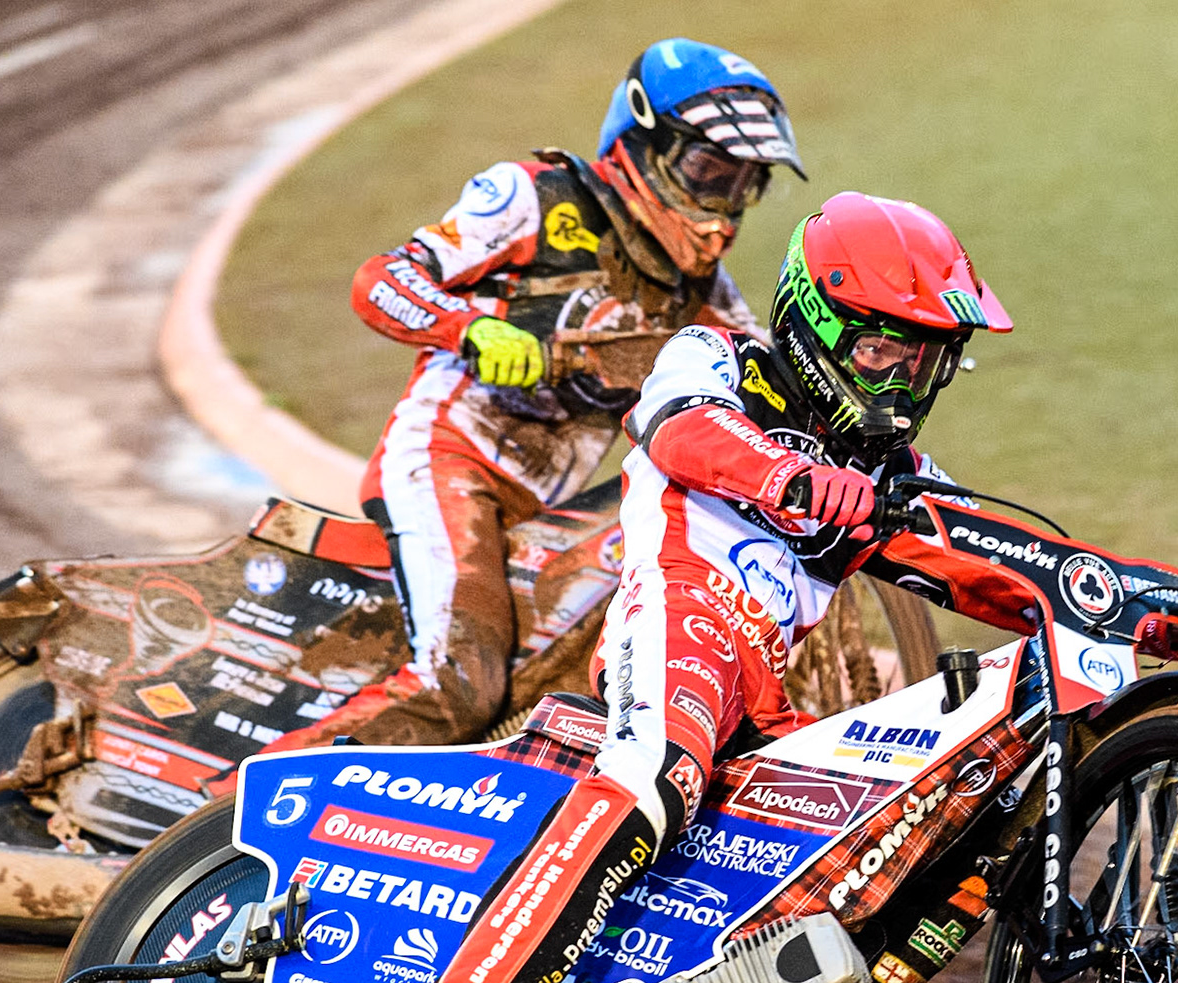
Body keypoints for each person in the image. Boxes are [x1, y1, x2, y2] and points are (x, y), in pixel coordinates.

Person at [395, 191, 1178, 983]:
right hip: (678, 622)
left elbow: (1011, 563)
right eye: (885, 349)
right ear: (818, 323)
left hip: (764, 688)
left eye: (927, 358)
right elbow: (683, 431)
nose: (905, 380)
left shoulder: (896, 469)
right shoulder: (715, 359)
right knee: (655, 772)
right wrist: (798, 478)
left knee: (897, 825)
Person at [265, 39, 806, 754]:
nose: (724, 205)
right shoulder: (535, 195)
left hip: (553, 512)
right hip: (451, 465)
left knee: (560, 685)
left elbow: (766, 379)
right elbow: (382, 279)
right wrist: (472, 330)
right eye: (709, 170)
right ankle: (227, 818)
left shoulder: (700, 293)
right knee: (458, 685)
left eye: (744, 182)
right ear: (643, 143)